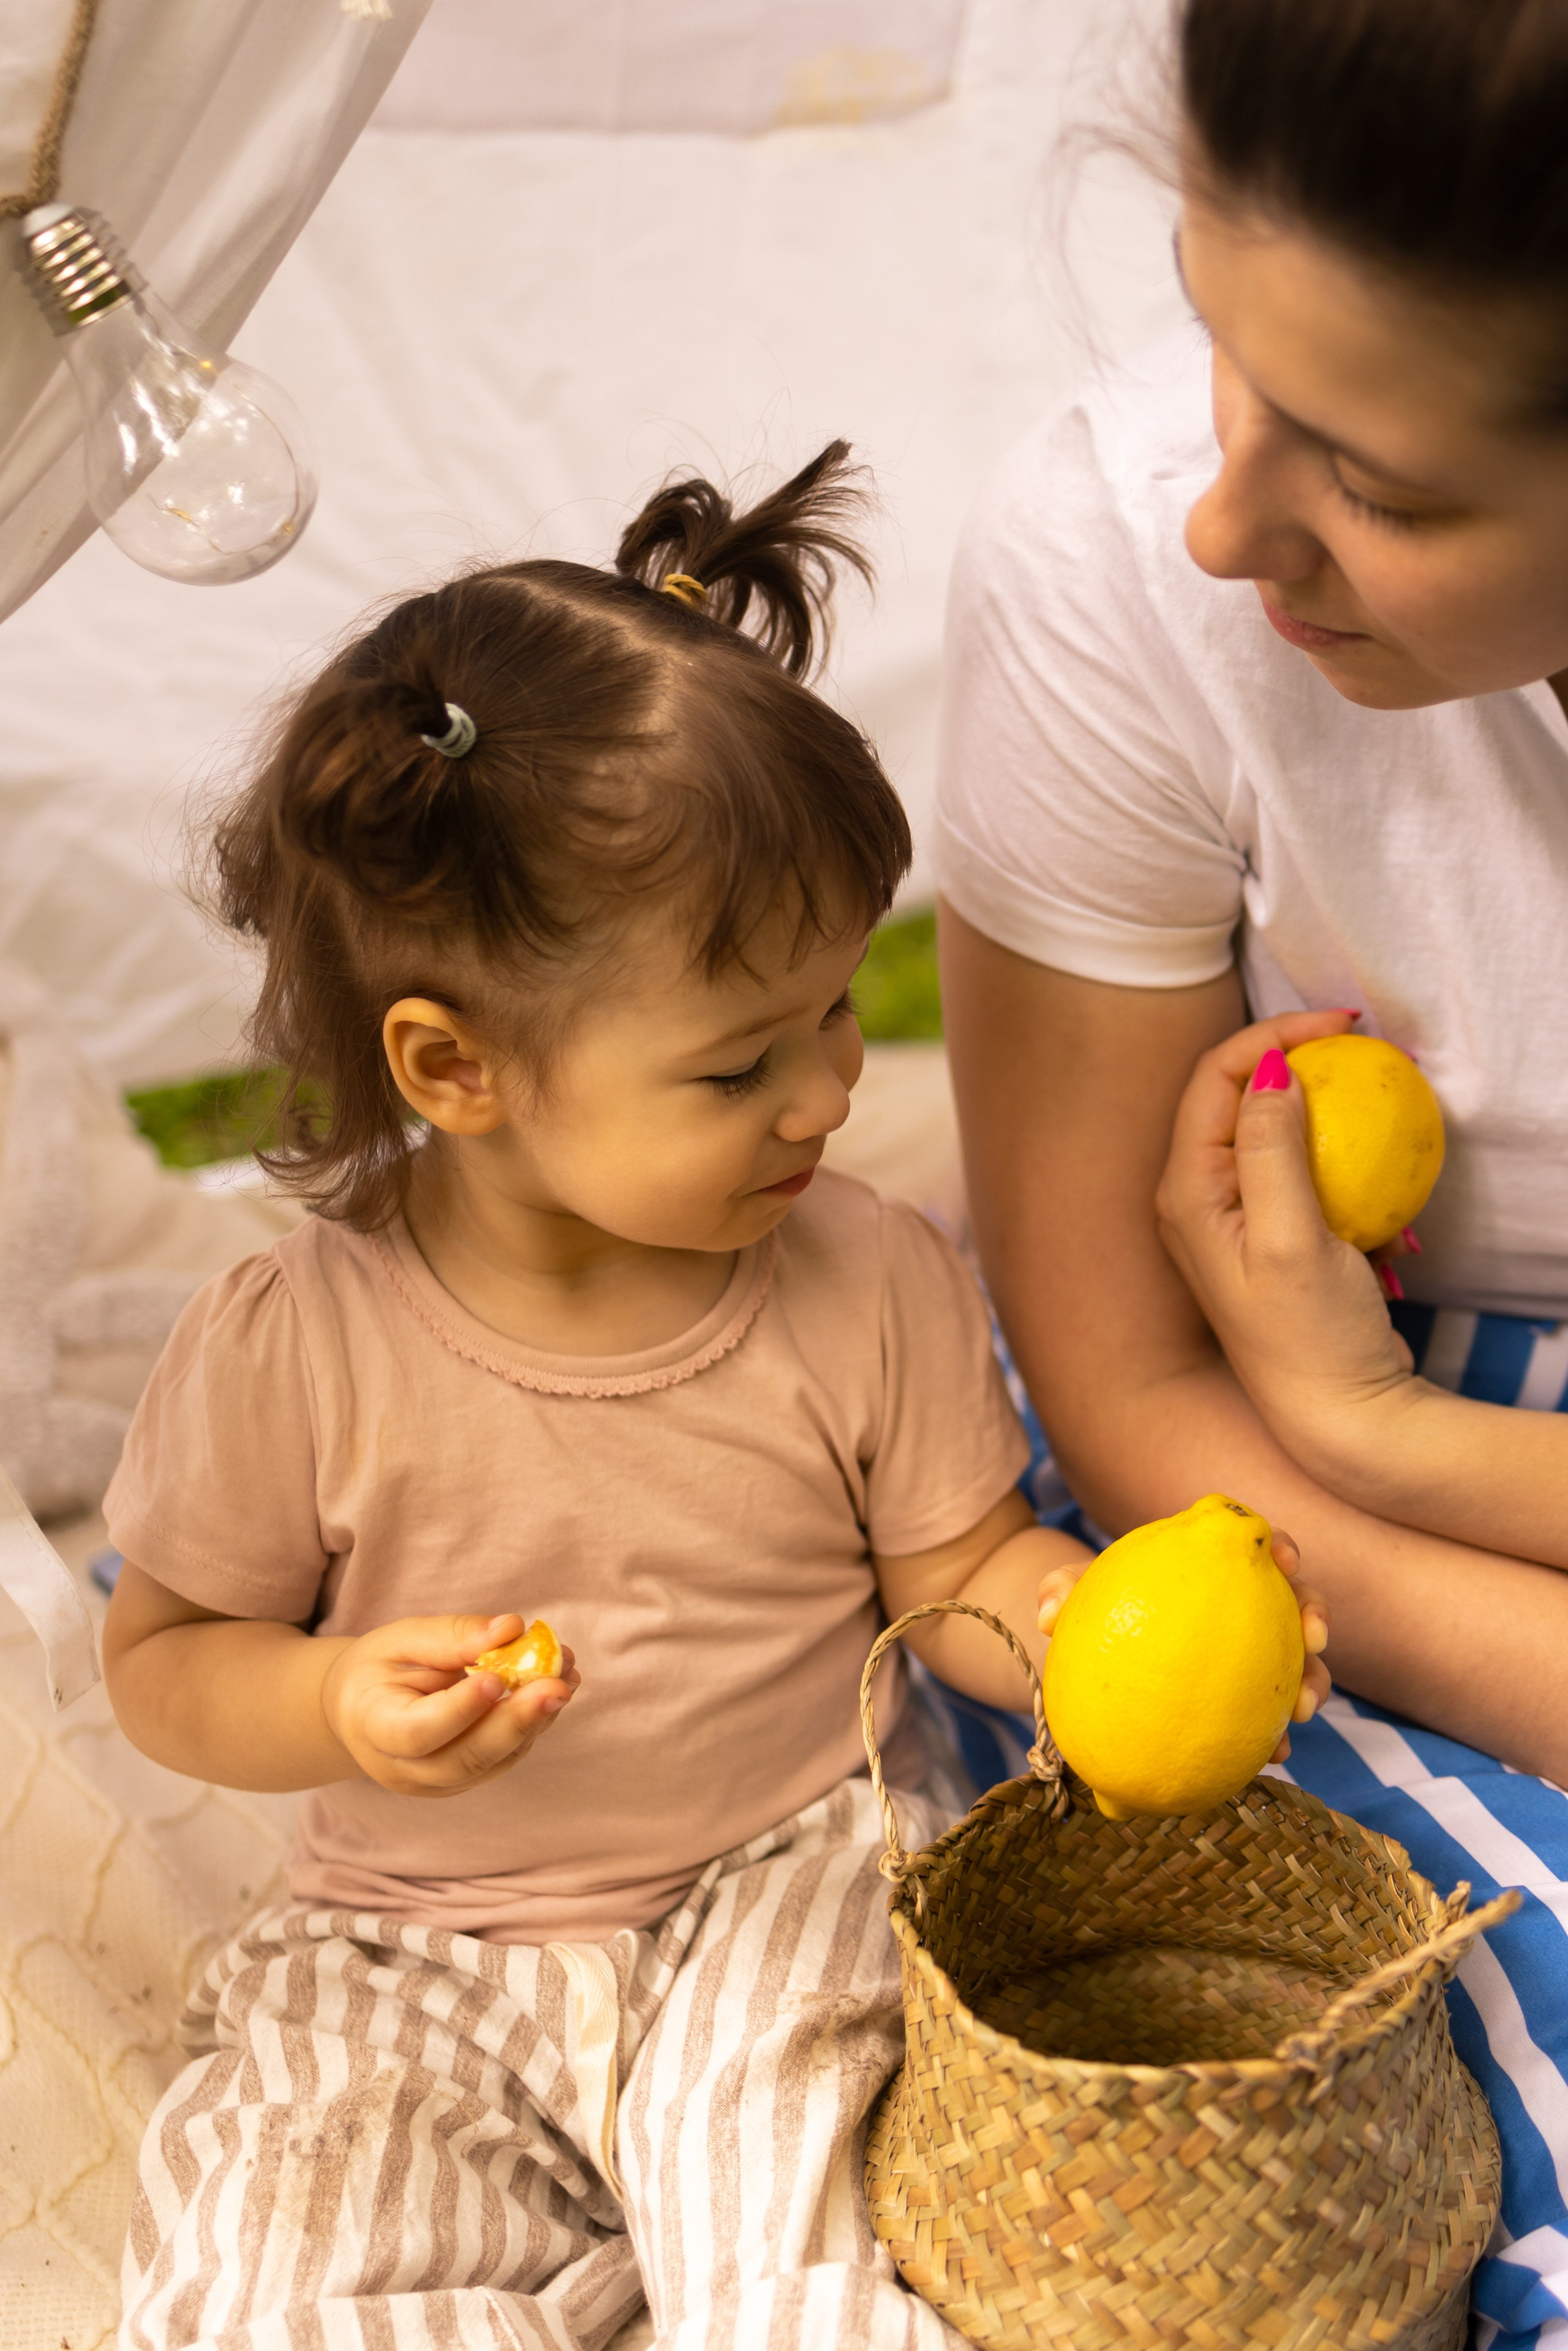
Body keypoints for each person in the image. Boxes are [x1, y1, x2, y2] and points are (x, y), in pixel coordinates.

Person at [96, 446, 1333, 2351]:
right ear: (457, 1068)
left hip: (782, 1888)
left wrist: (1110, 1634)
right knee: (280, 2263)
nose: (830, 1090)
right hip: (411, 1946)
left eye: (844, 1010)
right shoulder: (295, 1341)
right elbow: (170, 1659)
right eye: (742, 1061)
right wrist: (332, 1697)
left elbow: (971, 1559)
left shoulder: (868, 1278)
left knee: (810, 2261)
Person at [933, 1, 1568, 2338]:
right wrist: (1343, 1454)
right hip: (1259, 1486)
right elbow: (1122, 1393)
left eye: (1380, 488)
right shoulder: (1124, 571)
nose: (1229, 520)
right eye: (1216, 336)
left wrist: (1386, 1427)